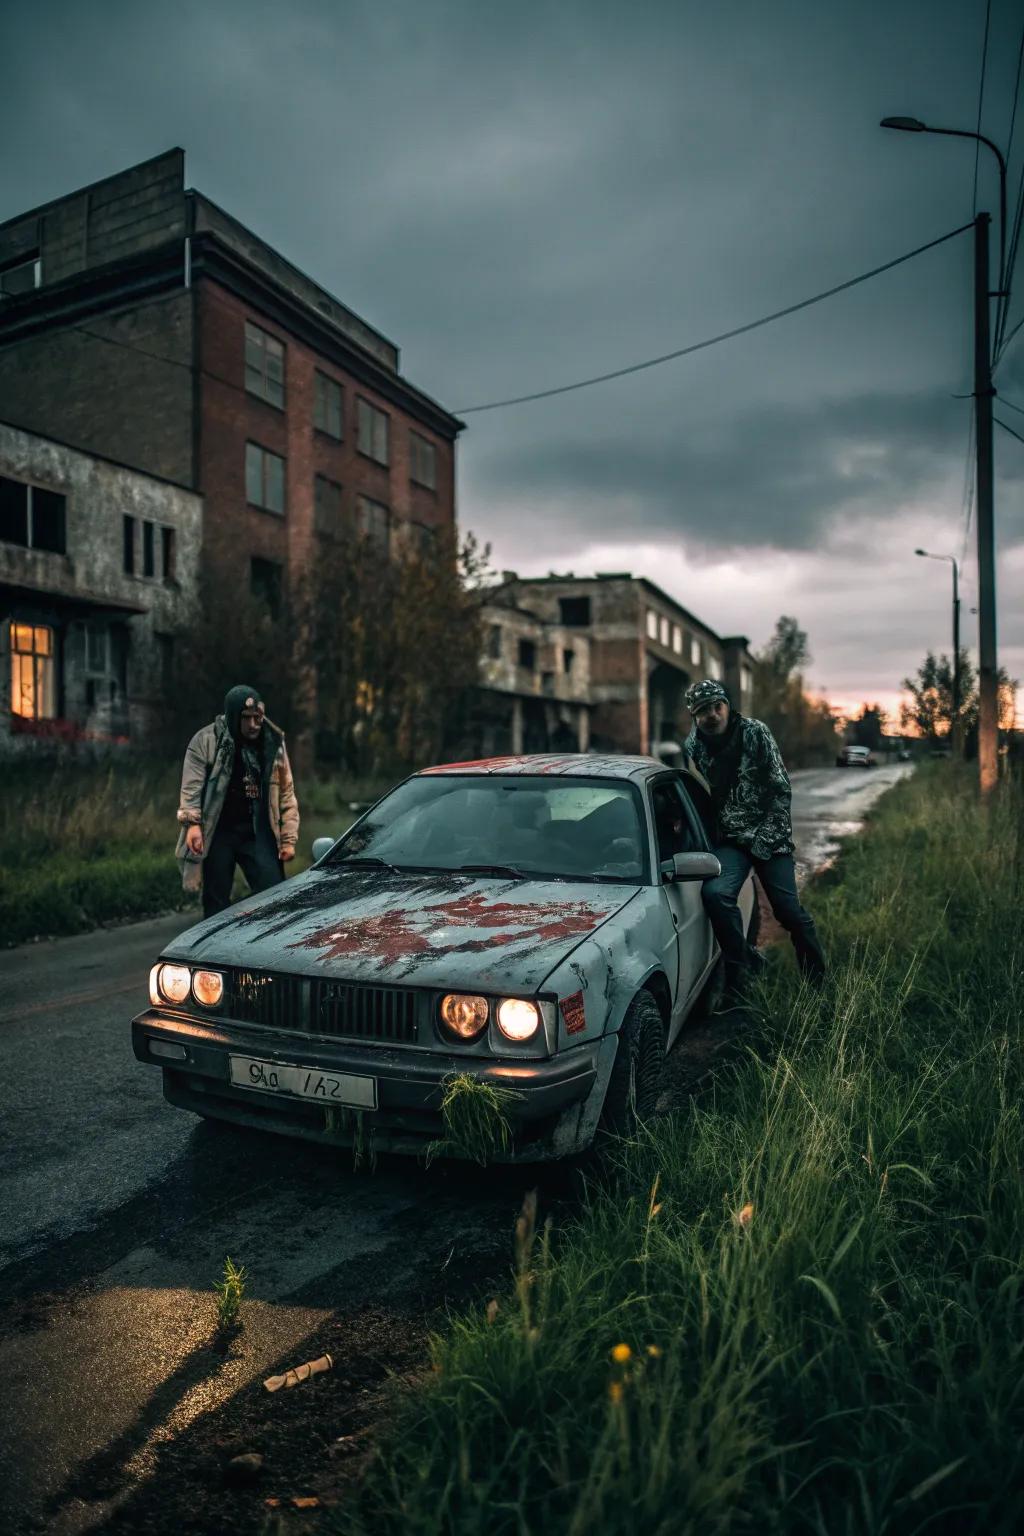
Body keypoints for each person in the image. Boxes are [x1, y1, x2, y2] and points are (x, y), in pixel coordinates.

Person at [683, 678, 825, 992]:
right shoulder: (693, 746)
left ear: (727, 705)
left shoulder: (754, 732)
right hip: (733, 840)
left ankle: (819, 984)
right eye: (703, 710)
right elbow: (707, 794)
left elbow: (780, 788)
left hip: (770, 836)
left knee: (788, 911)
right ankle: (744, 968)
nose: (713, 715)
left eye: (717, 706)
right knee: (715, 894)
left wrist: (765, 838)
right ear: (694, 715)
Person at [176, 684, 300, 918]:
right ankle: (214, 949)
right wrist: (193, 825)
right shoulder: (206, 741)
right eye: (247, 718)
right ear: (234, 716)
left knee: (274, 894)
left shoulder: (272, 742)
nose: (254, 725)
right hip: (219, 830)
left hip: (257, 831)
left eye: (258, 718)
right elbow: (191, 789)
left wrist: (288, 839)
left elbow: (286, 792)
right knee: (215, 899)